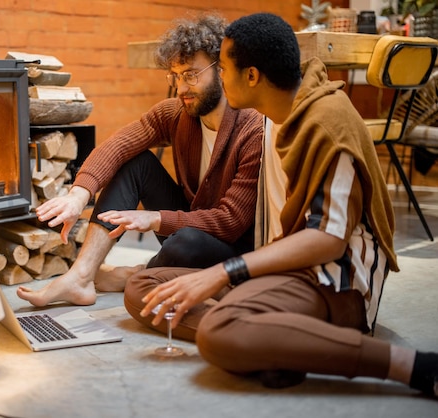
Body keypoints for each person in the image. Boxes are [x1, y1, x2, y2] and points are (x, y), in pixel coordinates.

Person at [124, 12, 438, 398]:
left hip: (332, 283)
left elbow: (328, 240)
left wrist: (224, 273)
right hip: (281, 268)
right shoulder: (272, 119)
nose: (218, 77)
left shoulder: (327, 123)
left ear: (252, 76)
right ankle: (276, 342)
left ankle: (415, 366)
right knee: (144, 288)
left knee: (216, 331)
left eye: (222, 68)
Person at [16, 13, 263, 307]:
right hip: (190, 224)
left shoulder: (253, 128)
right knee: (135, 163)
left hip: (231, 250)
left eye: (191, 75)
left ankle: (136, 274)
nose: (181, 88)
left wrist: (155, 218)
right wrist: (77, 197)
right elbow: (118, 146)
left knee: (185, 242)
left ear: (221, 69)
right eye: (175, 76)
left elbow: (231, 222)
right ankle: (80, 277)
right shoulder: (176, 114)